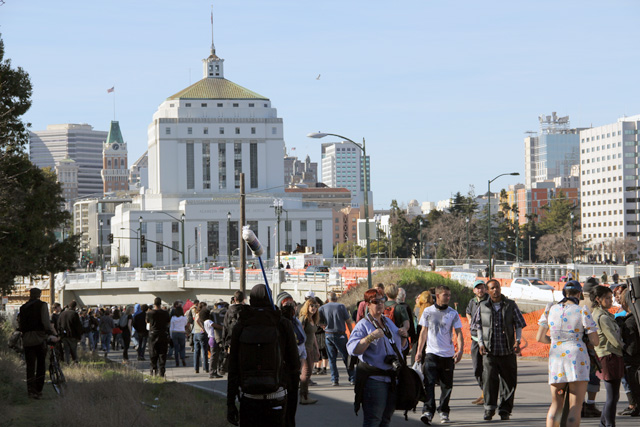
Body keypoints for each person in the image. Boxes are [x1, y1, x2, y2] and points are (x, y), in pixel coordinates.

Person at [227, 284, 300, 427]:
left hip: (249, 398)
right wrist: (291, 410)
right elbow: (294, 366)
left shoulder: (241, 325)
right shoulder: (281, 323)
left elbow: (233, 368)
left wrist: (230, 404)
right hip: (277, 397)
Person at [536, 280, 599, 427]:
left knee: (556, 404)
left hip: (556, 357)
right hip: (577, 357)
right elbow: (595, 340)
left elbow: (539, 337)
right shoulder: (582, 310)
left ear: (564, 293)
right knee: (575, 406)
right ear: (579, 294)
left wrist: (557, 341)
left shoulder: (550, 308)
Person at [347, 288, 408, 427]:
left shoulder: (388, 322)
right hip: (374, 380)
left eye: (382, 301)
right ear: (367, 304)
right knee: (373, 420)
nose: (380, 304)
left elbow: (400, 347)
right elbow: (353, 349)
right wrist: (370, 337)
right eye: (376, 301)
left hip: (391, 378)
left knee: (386, 420)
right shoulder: (363, 324)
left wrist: (403, 337)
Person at [471, 279, 527, 421]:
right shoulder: (482, 306)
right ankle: (489, 409)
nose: (495, 290)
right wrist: (481, 343)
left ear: (500, 288)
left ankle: (505, 410)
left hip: (507, 350)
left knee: (509, 382)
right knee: (489, 381)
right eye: (491, 288)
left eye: (497, 287)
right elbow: (478, 326)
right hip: (489, 351)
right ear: (488, 291)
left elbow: (519, 324)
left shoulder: (510, 305)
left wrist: (518, 340)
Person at [415, 285, 464, 425]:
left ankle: (443, 411)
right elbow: (423, 332)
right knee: (429, 383)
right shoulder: (428, 312)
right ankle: (428, 411)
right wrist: (419, 351)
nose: (448, 297)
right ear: (437, 295)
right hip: (431, 353)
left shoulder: (453, 313)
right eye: (445, 295)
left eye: (449, 295)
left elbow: (459, 332)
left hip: (447, 355)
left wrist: (460, 350)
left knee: (446, 385)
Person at [591, 285, 625, 427]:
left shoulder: (599, 314)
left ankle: (604, 424)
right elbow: (614, 340)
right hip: (609, 356)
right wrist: (626, 348)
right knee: (612, 396)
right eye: (607, 298)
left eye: (611, 298)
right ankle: (609, 424)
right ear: (598, 299)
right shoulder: (603, 317)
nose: (610, 301)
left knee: (613, 396)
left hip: (606, 356)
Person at [18, 288, 56, 399]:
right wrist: (50, 332)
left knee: (30, 366)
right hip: (39, 337)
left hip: (27, 339)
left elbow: (21, 324)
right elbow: (45, 321)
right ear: (39, 295)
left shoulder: (23, 307)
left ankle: (30, 389)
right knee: (40, 364)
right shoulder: (42, 305)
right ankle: (38, 389)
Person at [318, 291, 354, 386]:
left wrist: (323, 326)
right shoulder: (341, 306)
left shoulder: (322, 308)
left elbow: (318, 321)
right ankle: (352, 378)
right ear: (336, 298)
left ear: (328, 299)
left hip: (328, 334)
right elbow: (348, 321)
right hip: (340, 334)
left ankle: (334, 379)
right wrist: (352, 334)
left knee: (331, 358)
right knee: (346, 357)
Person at [582, 277, 603, 417]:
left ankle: (580, 403)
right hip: (590, 345)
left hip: (577, 346)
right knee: (593, 376)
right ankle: (590, 404)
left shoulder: (577, 303)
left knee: (580, 377)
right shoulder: (593, 305)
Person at [618, 288, 640, 417]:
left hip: (633, 362)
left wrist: (621, 345)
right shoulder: (635, 319)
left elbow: (632, 348)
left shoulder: (629, 322)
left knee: (634, 386)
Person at [466, 280, 488, 406]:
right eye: (477, 288)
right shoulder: (472, 302)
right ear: (474, 290)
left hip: (486, 339)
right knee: (477, 369)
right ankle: (484, 392)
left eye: (481, 288)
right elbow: (468, 312)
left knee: (487, 369)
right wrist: (470, 321)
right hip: (475, 338)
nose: (479, 290)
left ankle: (487, 394)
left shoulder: (489, 301)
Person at [298, 299, 320, 405]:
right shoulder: (304, 318)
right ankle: (303, 396)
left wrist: (317, 348)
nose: (313, 308)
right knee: (306, 372)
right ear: (307, 306)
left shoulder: (313, 319)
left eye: (315, 306)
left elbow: (313, 335)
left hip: (311, 348)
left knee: (309, 372)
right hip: (304, 348)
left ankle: (305, 394)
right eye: (311, 306)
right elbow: (300, 334)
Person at [147, 297, 171, 377]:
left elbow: (147, 322)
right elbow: (168, 323)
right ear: (160, 304)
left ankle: (153, 369)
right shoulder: (165, 313)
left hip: (153, 334)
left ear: (154, 304)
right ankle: (162, 370)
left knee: (153, 352)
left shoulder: (150, 313)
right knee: (162, 353)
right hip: (163, 333)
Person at [58, 300, 83, 364]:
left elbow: (59, 324)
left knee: (66, 350)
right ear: (74, 307)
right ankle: (75, 362)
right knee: (73, 350)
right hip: (72, 335)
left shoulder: (62, 313)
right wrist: (79, 336)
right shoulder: (74, 314)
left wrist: (60, 334)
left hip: (64, 335)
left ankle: (67, 362)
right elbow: (77, 326)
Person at [192, 301, 209, 374]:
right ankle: (206, 368)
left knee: (196, 351)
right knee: (204, 351)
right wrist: (203, 327)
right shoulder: (201, 314)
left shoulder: (196, 313)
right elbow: (197, 320)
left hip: (195, 333)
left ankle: (196, 368)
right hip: (201, 333)